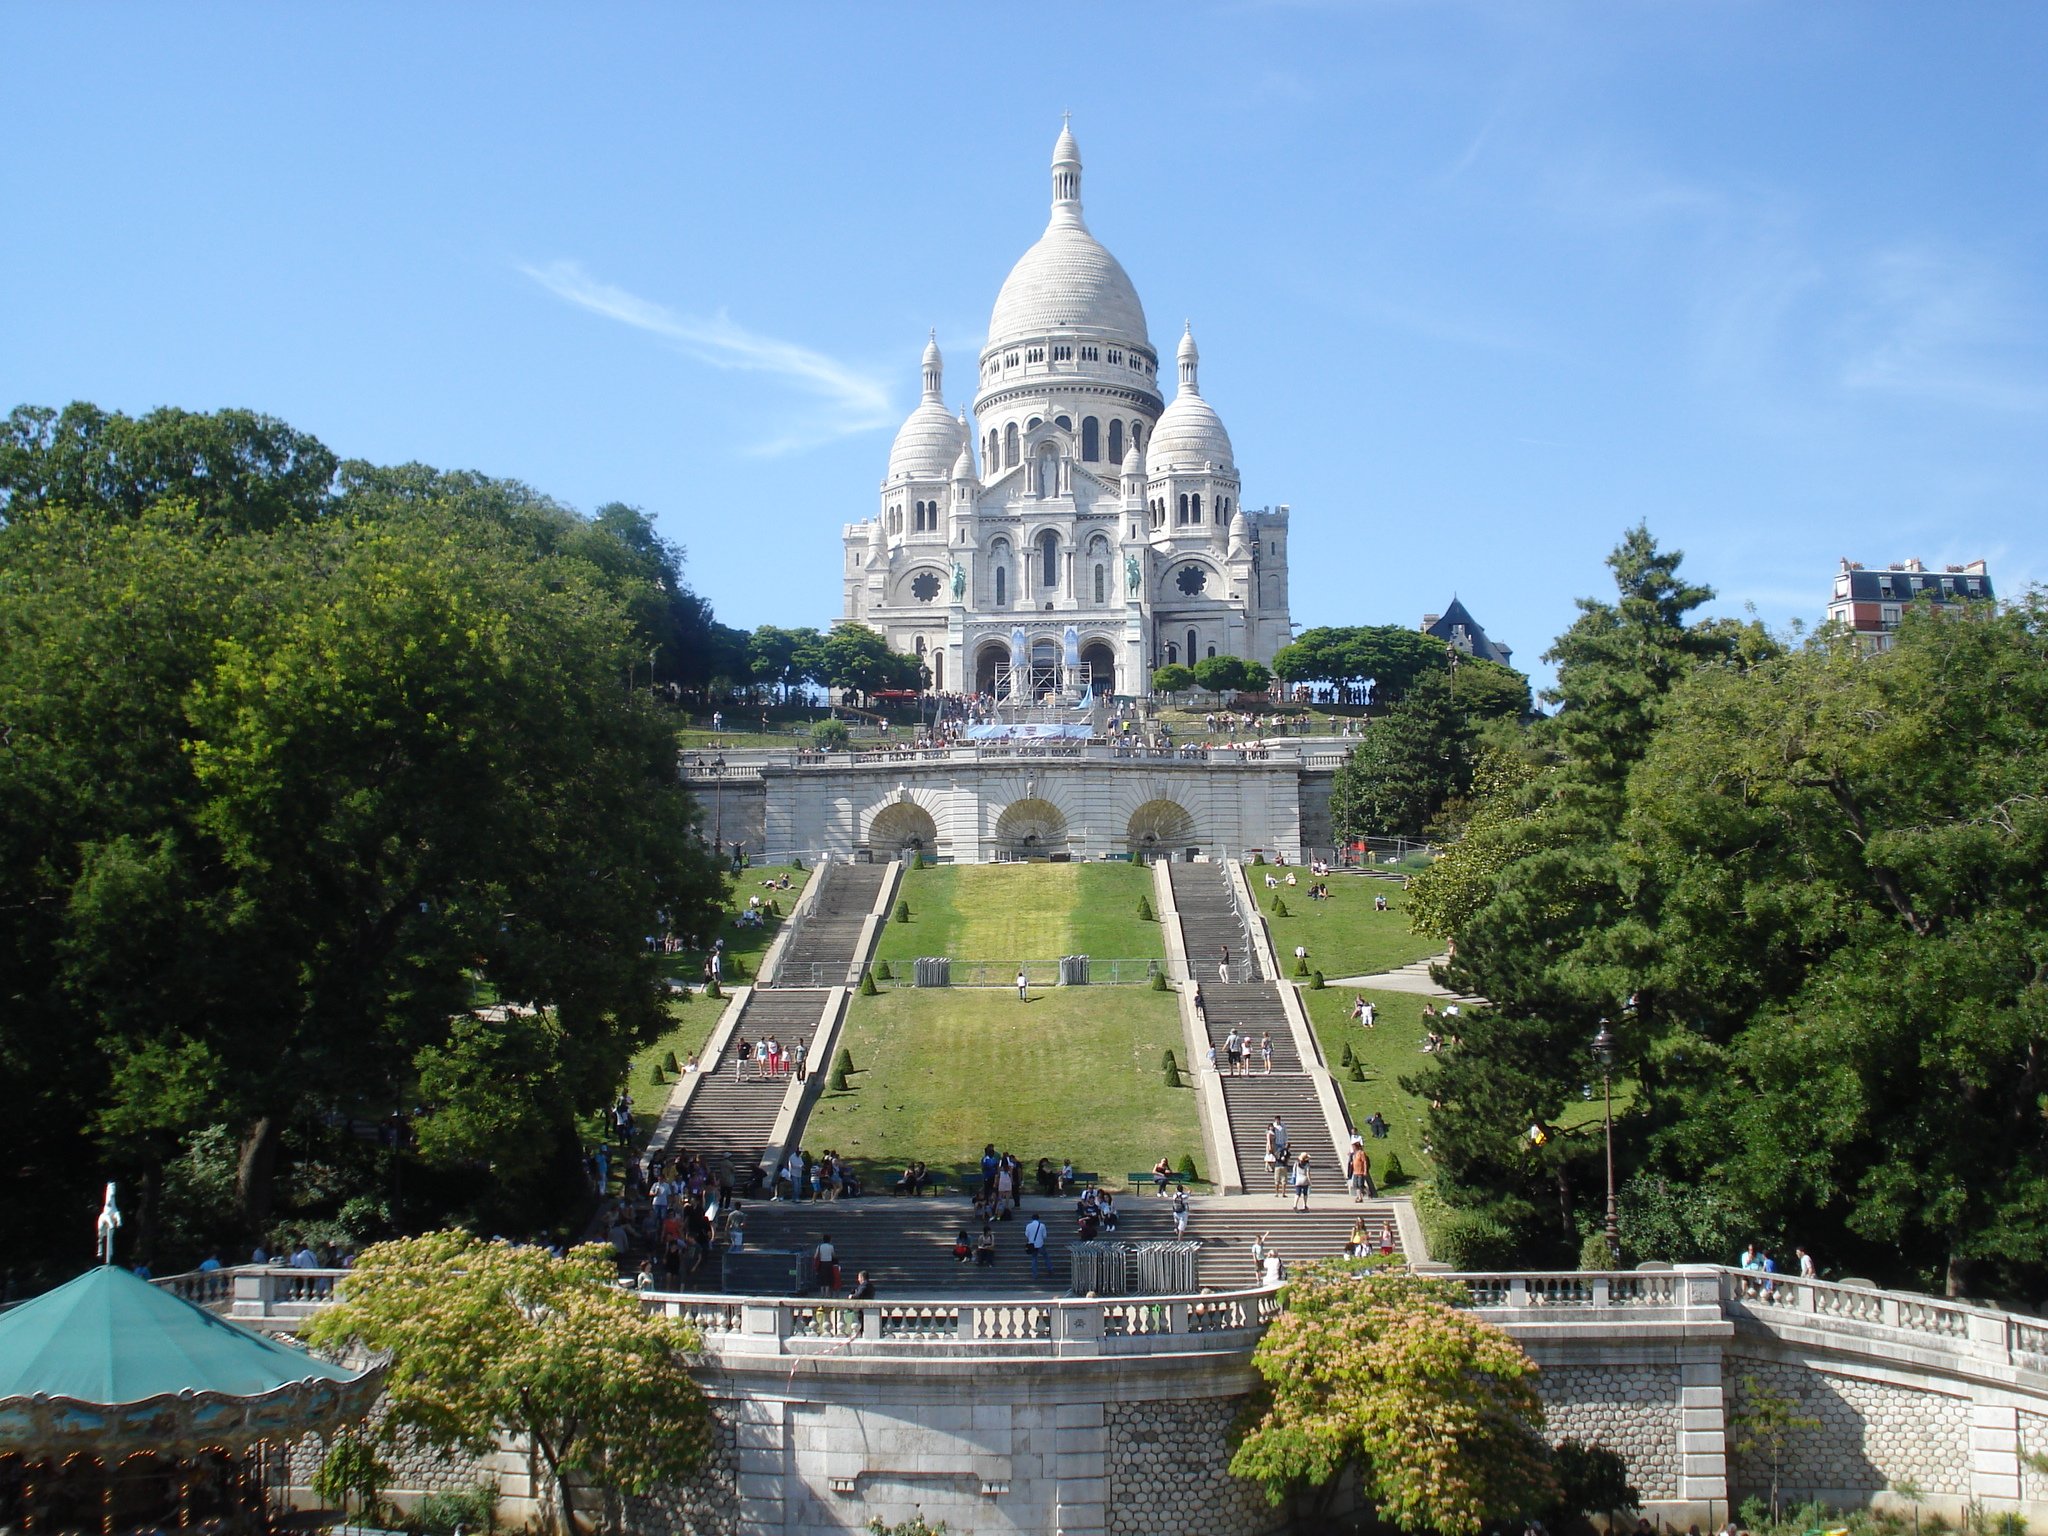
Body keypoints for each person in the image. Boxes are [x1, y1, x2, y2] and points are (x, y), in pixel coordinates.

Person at [1265, 1117, 1289, 1197]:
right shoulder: (1273, 1127)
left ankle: (1279, 1163)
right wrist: (1269, 1145)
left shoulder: (1283, 1125)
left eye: (1279, 1120)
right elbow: (1268, 1135)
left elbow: (1285, 1133)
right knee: (1272, 1155)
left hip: (1281, 1142)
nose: (1278, 1121)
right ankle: (1270, 1166)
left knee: (1281, 1154)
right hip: (1275, 1143)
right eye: (1276, 1120)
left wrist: (1286, 1141)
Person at [1024, 1213, 1050, 1279]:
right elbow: (1044, 1236)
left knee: (1034, 1258)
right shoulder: (1042, 1225)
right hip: (1040, 1244)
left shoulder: (1028, 1225)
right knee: (1046, 1256)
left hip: (1032, 1244)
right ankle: (1050, 1268)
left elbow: (1026, 1234)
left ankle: (1034, 1274)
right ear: (1038, 1218)